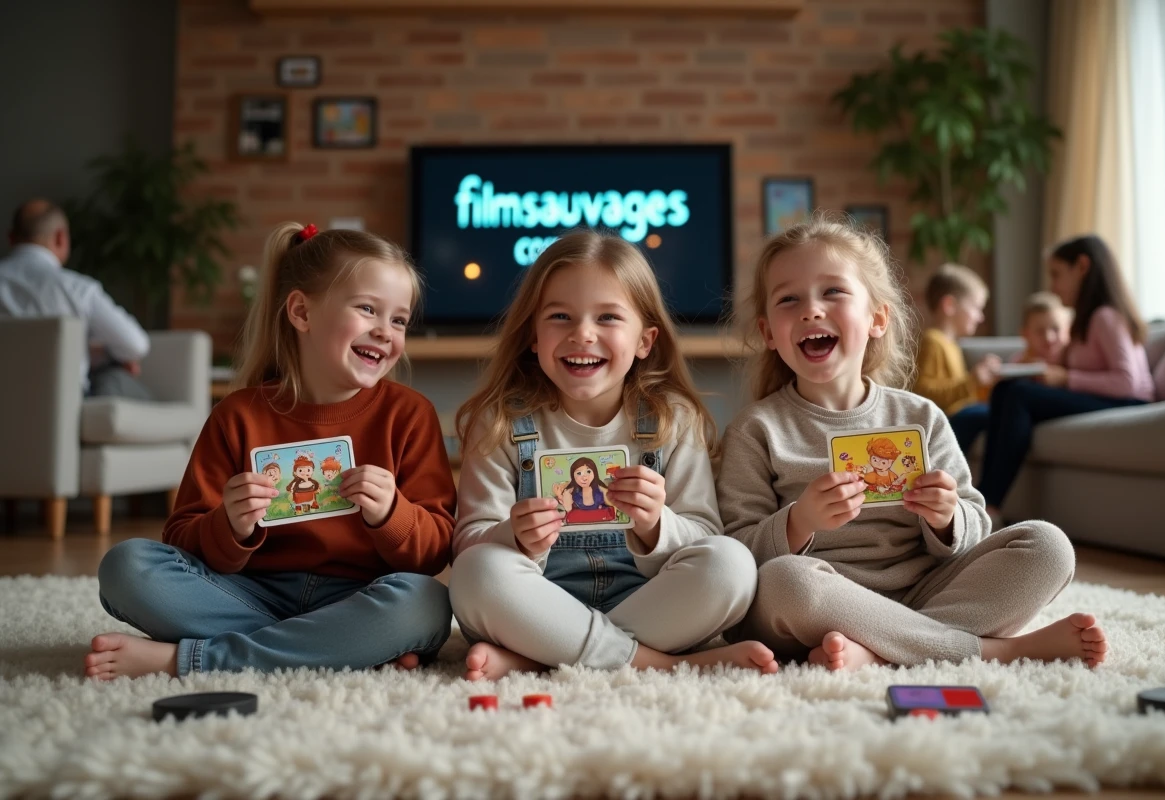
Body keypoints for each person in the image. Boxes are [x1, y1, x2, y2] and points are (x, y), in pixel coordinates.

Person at [718, 214, 1107, 672]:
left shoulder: (920, 417)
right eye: (789, 299)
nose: (811, 310)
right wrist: (799, 521)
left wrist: (946, 518)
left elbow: (975, 526)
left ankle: (880, 650)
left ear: (877, 318)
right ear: (768, 332)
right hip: (819, 597)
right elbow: (737, 553)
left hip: (924, 592)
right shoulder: (755, 429)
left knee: (1048, 546)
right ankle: (993, 652)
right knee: (787, 582)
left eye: (833, 291)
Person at [84, 222, 455, 680]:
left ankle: (191, 659)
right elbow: (180, 538)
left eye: (399, 320)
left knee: (425, 603)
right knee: (125, 566)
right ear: (301, 312)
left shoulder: (411, 415)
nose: (385, 331)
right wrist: (230, 525)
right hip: (246, 594)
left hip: (357, 596)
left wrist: (392, 514)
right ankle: (337, 646)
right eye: (367, 309)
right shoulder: (238, 415)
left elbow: (435, 551)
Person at [448, 230, 774, 682]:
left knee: (732, 564)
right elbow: (469, 541)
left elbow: (705, 534)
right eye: (560, 316)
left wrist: (656, 524)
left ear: (645, 341)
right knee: (475, 571)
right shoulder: (501, 421)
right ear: (533, 337)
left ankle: (541, 656)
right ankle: (657, 664)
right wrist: (514, 537)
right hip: (537, 603)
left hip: (644, 603)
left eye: (607, 317)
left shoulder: (673, 419)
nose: (583, 333)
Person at [978, 235, 1154, 518]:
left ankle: (990, 507)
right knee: (1005, 390)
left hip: (1131, 403)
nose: (1053, 286)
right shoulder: (1085, 321)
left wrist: (1066, 378)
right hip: (1100, 398)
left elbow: (1127, 383)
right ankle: (982, 503)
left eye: (1056, 274)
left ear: (1082, 266)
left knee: (1018, 394)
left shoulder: (1105, 316)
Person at [0, 199, 152, 399]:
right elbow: (135, 345)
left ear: (11, 238)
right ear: (60, 237)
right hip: (62, 403)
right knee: (116, 379)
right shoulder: (77, 289)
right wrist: (102, 353)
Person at [912, 263, 999, 453]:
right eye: (976, 308)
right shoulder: (933, 342)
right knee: (992, 414)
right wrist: (972, 381)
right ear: (949, 305)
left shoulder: (952, 345)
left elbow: (961, 393)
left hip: (958, 416)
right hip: (947, 420)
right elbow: (923, 393)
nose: (981, 317)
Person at [1013, 291, 1071, 365]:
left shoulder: (1079, 363)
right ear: (1025, 334)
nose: (1049, 338)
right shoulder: (1020, 364)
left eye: (1056, 329)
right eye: (1040, 331)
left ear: (1069, 330)